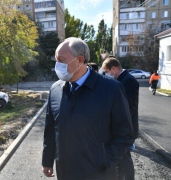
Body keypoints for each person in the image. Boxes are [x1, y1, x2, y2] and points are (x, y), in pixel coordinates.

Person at [42, 37, 134, 180]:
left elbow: (125, 135)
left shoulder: (111, 89)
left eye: (61, 59)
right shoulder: (55, 90)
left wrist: (104, 161)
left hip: (99, 174)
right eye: (56, 60)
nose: (57, 65)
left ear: (79, 60)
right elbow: (50, 130)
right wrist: (47, 161)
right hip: (65, 172)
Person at [102, 57, 139, 180]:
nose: (106, 74)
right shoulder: (120, 79)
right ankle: (121, 176)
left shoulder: (129, 80)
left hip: (125, 128)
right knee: (120, 157)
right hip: (119, 127)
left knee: (124, 158)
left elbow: (130, 106)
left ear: (113, 68)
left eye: (106, 71)